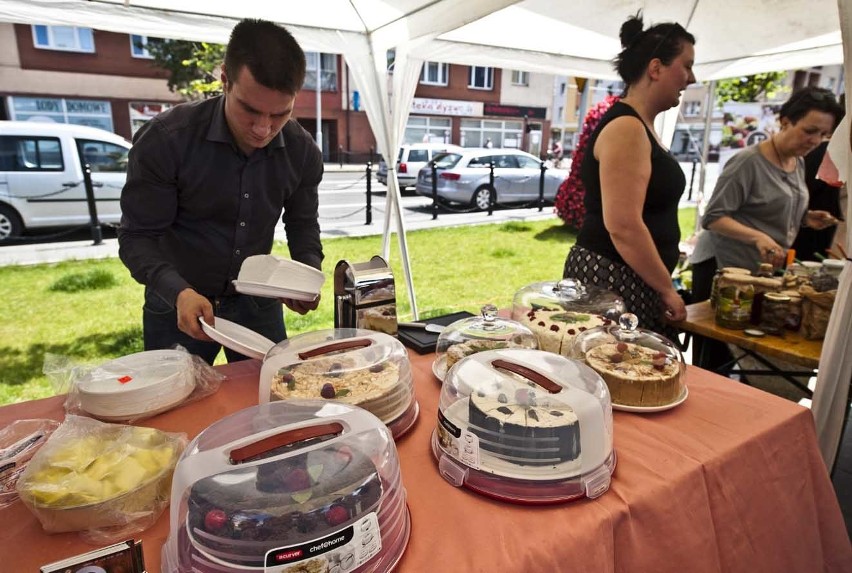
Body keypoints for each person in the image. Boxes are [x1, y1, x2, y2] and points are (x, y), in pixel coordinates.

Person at [118, 19, 324, 365]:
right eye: (250, 110)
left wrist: (305, 275)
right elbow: (137, 237)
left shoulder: (302, 151)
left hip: (257, 300)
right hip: (177, 299)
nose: (263, 129)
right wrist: (178, 291)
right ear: (224, 80)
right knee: (176, 409)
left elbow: (303, 225)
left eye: (280, 114)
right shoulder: (167, 140)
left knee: (273, 396)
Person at [689, 86, 842, 372]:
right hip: (723, 269)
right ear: (785, 121)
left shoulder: (796, 162)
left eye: (823, 134)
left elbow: (768, 207)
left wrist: (807, 218)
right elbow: (714, 217)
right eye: (810, 131)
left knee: (748, 360)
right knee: (715, 364)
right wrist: (758, 236)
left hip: (759, 274)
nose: (816, 140)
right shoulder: (747, 162)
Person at [563, 13, 695, 336]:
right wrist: (667, 289)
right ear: (655, 68)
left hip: (628, 278)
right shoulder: (627, 127)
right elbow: (623, 225)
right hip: (613, 278)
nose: (691, 78)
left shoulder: (640, 126)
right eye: (687, 65)